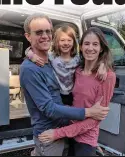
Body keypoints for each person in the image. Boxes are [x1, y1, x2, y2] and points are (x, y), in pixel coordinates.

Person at [20, 13, 110, 156]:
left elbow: (92, 55)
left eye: (48, 31)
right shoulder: (30, 69)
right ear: (28, 36)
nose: (45, 35)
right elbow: (48, 109)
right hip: (49, 135)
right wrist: (88, 112)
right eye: (38, 32)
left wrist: (103, 63)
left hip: (66, 130)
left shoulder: (49, 61)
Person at [38, 27, 116, 156]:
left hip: (85, 139)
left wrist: (57, 133)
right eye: (86, 43)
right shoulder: (77, 70)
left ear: (101, 48)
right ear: (80, 47)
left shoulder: (107, 76)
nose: (90, 48)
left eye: (95, 44)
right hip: (69, 133)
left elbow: (94, 120)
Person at [25, 25, 107, 106]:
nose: (66, 43)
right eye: (62, 40)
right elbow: (29, 50)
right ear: (57, 42)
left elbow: (94, 59)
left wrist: (102, 65)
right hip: (57, 94)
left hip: (72, 94)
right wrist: (31, 55)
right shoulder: (52, 57)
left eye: (69, 40)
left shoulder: (78, 59)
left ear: (74, 42)